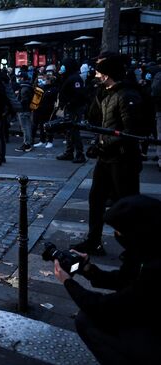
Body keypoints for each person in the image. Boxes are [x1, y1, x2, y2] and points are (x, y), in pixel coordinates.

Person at [53, 195, 161, 364]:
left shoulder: (155, 269)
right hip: (147, 315)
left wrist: (68, 282)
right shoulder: (146, 249)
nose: (117, 235)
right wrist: (88, 269)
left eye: (119, 231)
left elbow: (105, 306)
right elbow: (124, 279)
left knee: (86, 321)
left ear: (137, 232)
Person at [71, 53, 144, 256]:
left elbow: (130, 131)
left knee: (127, 205)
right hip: (107, 157)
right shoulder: (108, 92)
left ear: (106, 73)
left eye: (98, 69)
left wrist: (104, 143)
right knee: (96, 199)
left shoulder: (126, 94)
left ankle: (136, 249)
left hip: (122, 159)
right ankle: (94, 241)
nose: (94, 73)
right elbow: (99, 119)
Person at [55, 58, 88, 163]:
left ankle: (80, 154)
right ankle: (69, 152)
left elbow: (78, 94)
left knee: (74, 131)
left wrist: (69, 103)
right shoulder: (68, 77)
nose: (62, 67)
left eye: (64, 65)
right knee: (69, 131)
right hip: (69, 108)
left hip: (74, 108)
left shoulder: (75, 78)